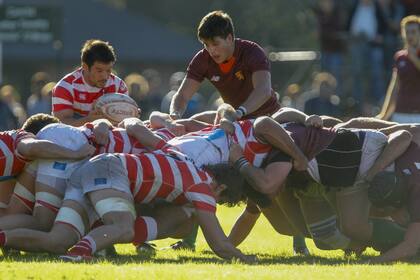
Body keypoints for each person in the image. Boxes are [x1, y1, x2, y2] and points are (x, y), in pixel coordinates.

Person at [169, 10, 280, 123]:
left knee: (262, 124)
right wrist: (174, 115)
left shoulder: (252, 52)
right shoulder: (203, 59)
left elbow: (263, 90)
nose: (211, 50)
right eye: (206, 44)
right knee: (192, 121)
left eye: (215, 44)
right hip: (234, 120)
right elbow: (182, 95)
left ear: (229, 38)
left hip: (269, 118)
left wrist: (240, 112)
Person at [52, 39, 128, 126]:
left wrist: (130, 114)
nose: (105, 76)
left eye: (108, 70)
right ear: (85, 66)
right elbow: (61, 126)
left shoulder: (118, 86)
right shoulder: (65, 87)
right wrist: (89, 120)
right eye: (99, 71)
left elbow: (122, 124)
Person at [378, 15, 420, 122]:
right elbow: (394, 87)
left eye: (413, 32)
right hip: (400, 113)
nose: (410, 35)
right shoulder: (400, 57)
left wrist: (413, 57)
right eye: (407, 32)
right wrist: (384, 115)